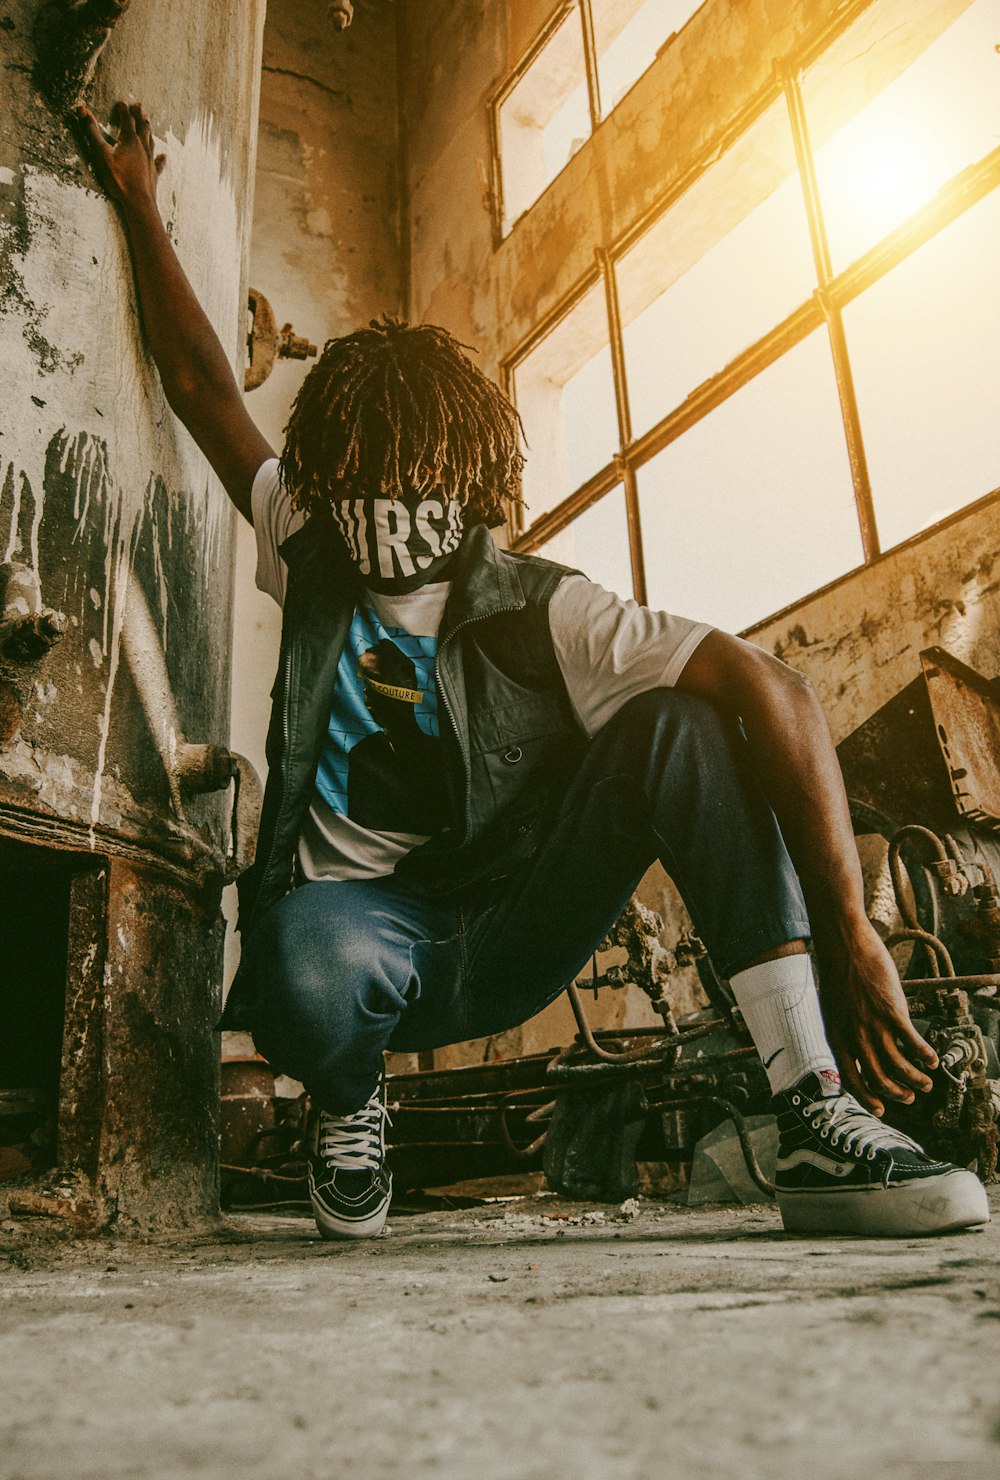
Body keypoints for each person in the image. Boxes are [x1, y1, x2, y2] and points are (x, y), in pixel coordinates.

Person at [79, 101, 989, 1241]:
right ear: (330, 467)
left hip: (509, 929)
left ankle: (810, 1104)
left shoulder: (546, 608)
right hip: (351, 936)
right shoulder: (305, 545)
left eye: (414, 478)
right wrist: (144, 203)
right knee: (298, 959)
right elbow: (209, 391)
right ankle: (349, 1104)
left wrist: (849, 931)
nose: (386, 507)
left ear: (466, 479)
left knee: (683, 725)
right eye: (360, 474)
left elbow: (774, 688)